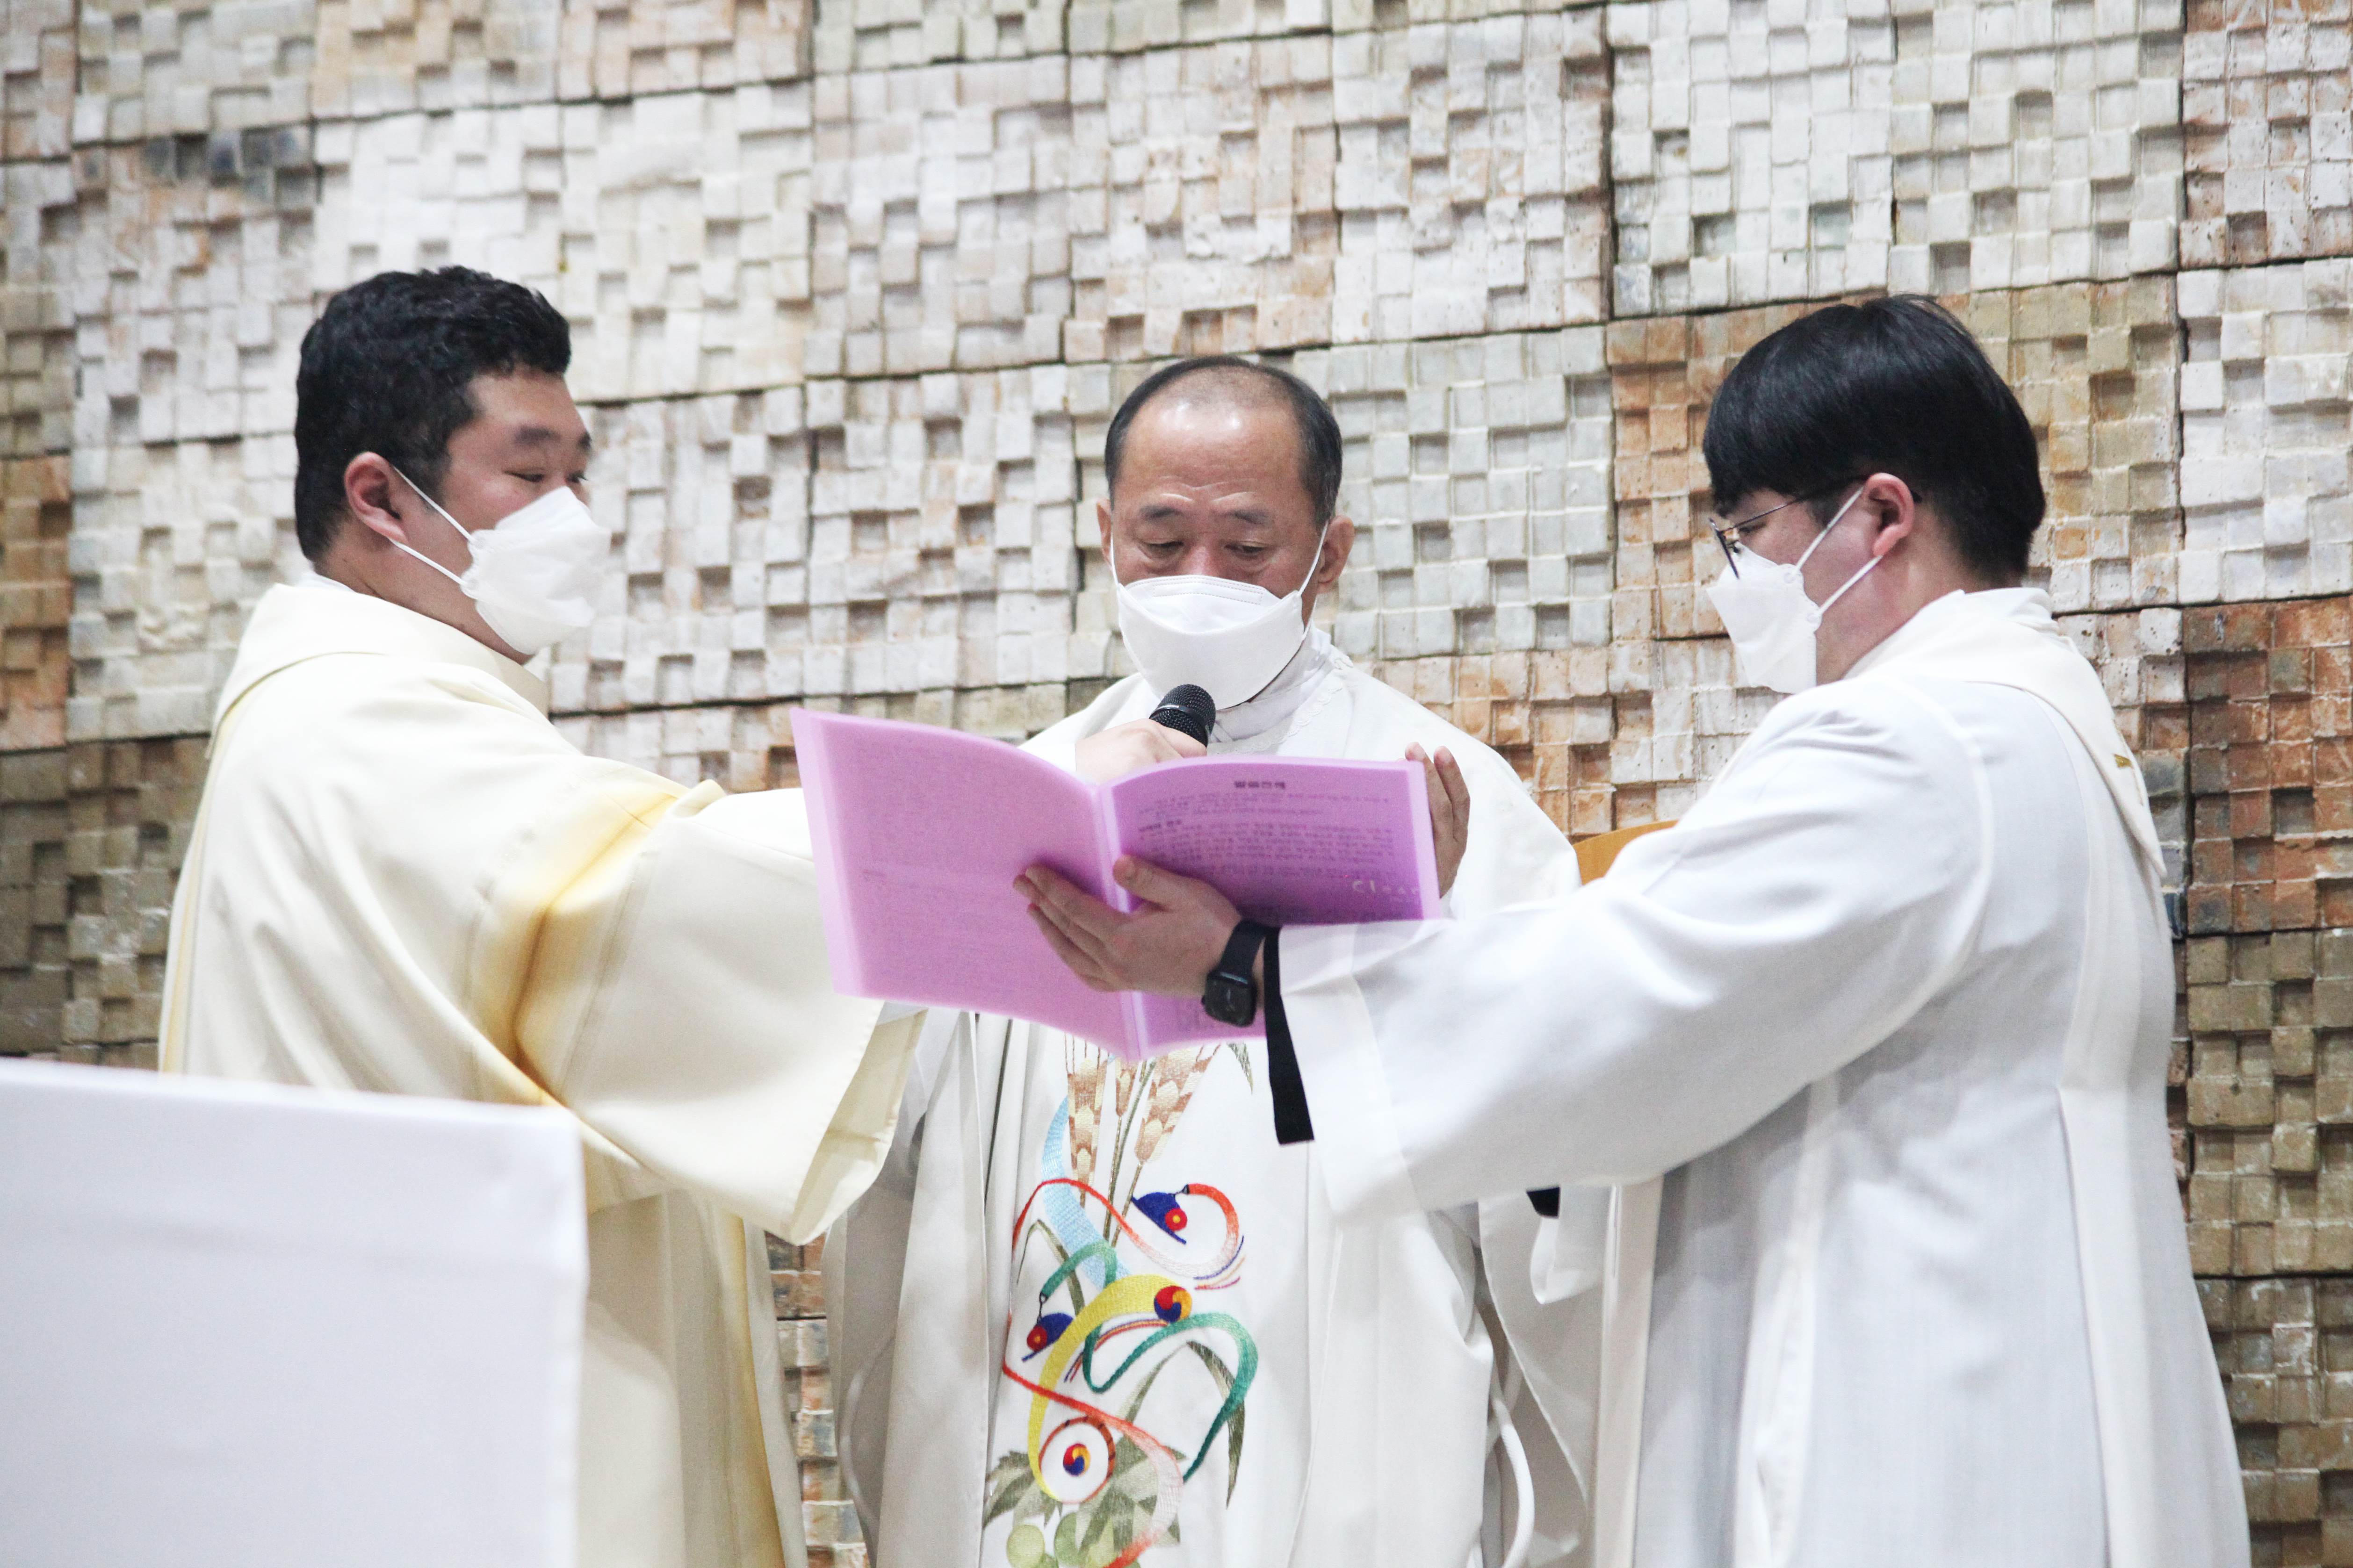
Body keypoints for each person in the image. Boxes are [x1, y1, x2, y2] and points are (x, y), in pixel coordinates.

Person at [1019, 301, 2250, 1567]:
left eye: (1750, 537)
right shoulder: (2039, 731)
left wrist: (1244, 966)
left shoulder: (1910, 746)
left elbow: (1621, 999)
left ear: (1880, 517)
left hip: (1919, 1434)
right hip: (2007, 1401)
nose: (1735, 584)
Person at [160, 266, 921, 1568]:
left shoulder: (359, 706)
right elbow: (645, 895)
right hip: (450, 1416)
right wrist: (984, 831)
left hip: (435, 1363)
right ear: (378, 497)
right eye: (528, 474)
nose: (573, 518)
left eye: (579, 474)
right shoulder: (348, 727)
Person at [825, 357, 1607, 1567]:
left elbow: (1555, 1114)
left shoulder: (1444, 795)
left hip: (1319, 1369)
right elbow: (890, 1118)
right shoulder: (1039, 782)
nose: (1200, 580)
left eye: (1246, 546)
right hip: (1051, 1351)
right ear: (1104, 534)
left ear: (1330, 554)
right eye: (1161, 540)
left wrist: (1424, 937)